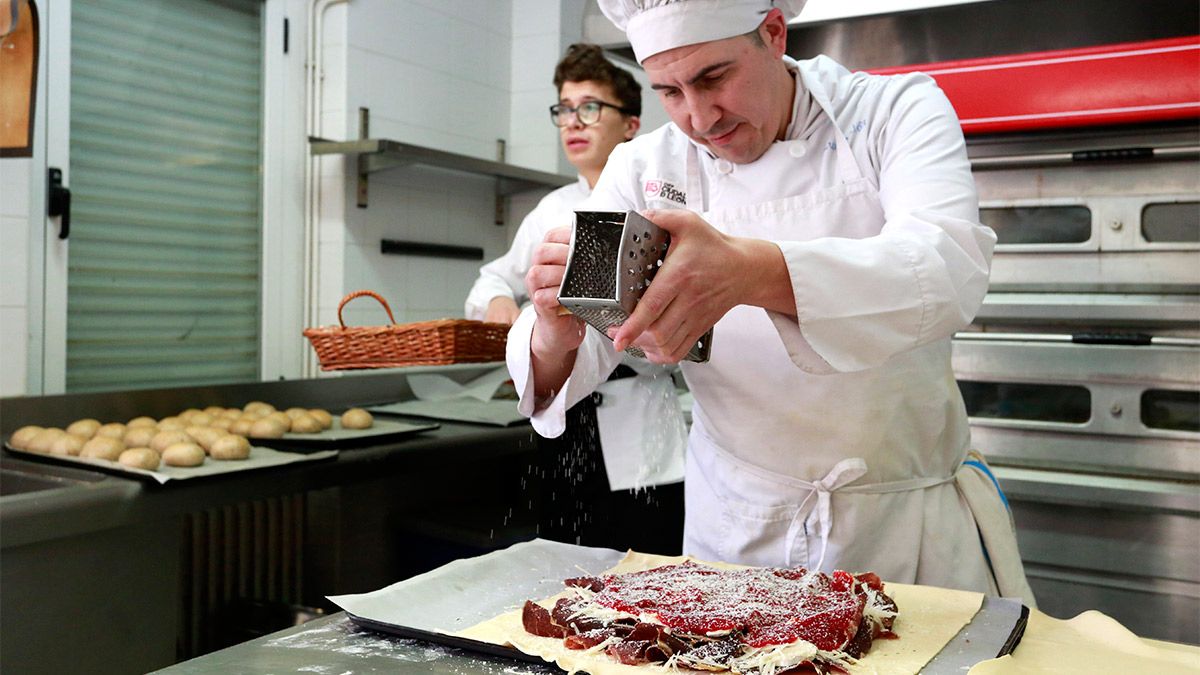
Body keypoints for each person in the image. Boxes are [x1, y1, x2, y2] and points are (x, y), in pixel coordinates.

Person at [509, 0, 1035, 603]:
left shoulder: (891, 112)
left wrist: (753, 272)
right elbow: (583, 345)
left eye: (714, 78)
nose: (700, 117)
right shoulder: (641, 168)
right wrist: (556, 327)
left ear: (773, 32)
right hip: (738, 538)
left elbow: (947, 270)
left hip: (904, 532)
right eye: (669, 92)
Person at [465, 44, 688, 553]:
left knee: (648, 556)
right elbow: (493, 279)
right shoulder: (551, 211)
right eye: (565, 109)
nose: (574, 122)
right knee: (568, 557)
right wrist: (500, 300)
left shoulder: (660, 202)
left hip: (640, 414)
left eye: (590, 107)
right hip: (566, 412)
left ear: (631, 124)